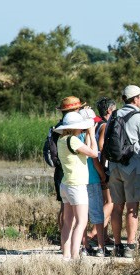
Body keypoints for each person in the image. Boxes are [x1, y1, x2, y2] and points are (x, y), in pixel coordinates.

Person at [107, 85, 140, 258]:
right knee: (132, 207)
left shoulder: (114, 115)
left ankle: (116, 244)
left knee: (116, 208)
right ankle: (129, 245)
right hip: (133, 165)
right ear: (135, 99)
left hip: (114, 165)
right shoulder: (139, 117)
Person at [54, 112, 99, 260]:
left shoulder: (62, 140)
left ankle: (66, 255)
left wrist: (86, 136)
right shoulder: (73, 140)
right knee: (81, 222)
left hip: (66, 184)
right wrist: (92, 135)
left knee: (68, 222)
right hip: (77, 185)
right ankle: (75, 255)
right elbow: (93, 153)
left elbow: (82, 152)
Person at [53, 96, 88, 234]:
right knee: (77, 217)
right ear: (75, 110)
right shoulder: (74, 130)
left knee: (65, 209)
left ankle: (64, 243)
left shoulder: (57, 128)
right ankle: (74, 245)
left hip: (61, 170)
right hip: (73, 173)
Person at [78, 108, 107, 257]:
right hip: (93, 179)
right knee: (97, 215)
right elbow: (94, 159)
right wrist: (103, 175)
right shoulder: (88, 138)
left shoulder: (74, 137)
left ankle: (84, 245)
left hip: (79, 180)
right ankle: (101, 246)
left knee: (82, 216)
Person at [93, 96, 117, 249]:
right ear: (109, 110)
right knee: (110, 202)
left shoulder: (95, 124)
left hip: (97, 166)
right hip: (104, 166)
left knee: (104, 201)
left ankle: (105, 236)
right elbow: (101, 148)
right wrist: (103, 171)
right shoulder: (104, 126)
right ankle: (95, 232)